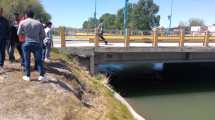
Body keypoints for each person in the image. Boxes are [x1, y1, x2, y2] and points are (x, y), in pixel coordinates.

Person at [17, 10, 47, 81]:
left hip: (26, 43)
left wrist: (25, 33)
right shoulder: (38, 23)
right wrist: (37, 36)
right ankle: (41, 76)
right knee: (39, 60)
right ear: (33, 15)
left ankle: (27, 76)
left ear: (26, 15)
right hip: (37, 43)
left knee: (27, 60)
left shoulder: (22, 22)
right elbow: (43, 35)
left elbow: (18, 33)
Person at [0, 7, 9, 73]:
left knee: (2, 52)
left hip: (3, 39)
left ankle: (1, 65)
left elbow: (8, 30)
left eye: (1, 11)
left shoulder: (5, 20)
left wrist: (7, 38)